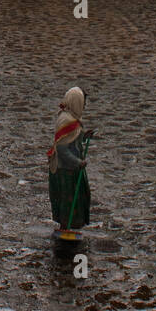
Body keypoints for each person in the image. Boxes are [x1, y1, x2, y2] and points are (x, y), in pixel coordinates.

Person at [47, 86, 93, 231]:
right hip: (64, 170)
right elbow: (62, 149)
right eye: (82, 103)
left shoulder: (73, 119)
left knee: (80, 197)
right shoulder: (66, 120)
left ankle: (73, 225)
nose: (84, 106)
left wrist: (85, 136)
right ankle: (65, 227)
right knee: (67, 201)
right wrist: (77, 162)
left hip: (73, 168)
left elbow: (74, 141)